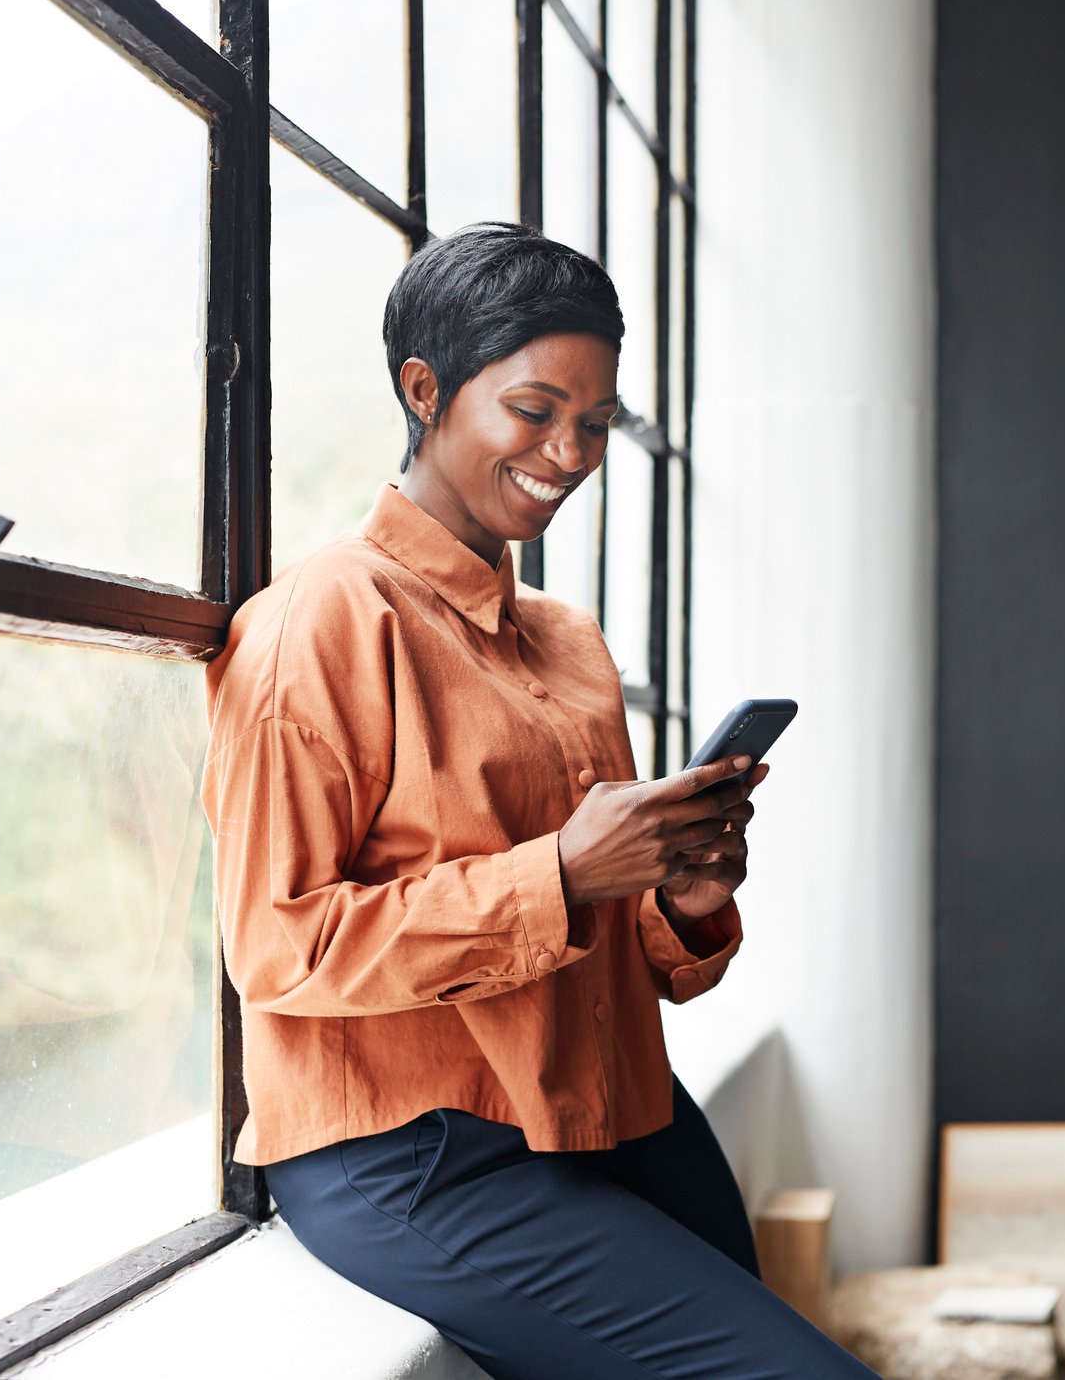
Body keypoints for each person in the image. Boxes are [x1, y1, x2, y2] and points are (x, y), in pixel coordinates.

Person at [200, 223, 877, 1379]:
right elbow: (278, 946)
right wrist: (560, 871)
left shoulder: (566, 641)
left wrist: (686, 895)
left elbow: (619, 945)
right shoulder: (321, 621)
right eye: (534, 409)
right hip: (412, 1152)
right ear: (425, 390)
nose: (569, 451)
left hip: (607, 1103)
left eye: (596, 423)